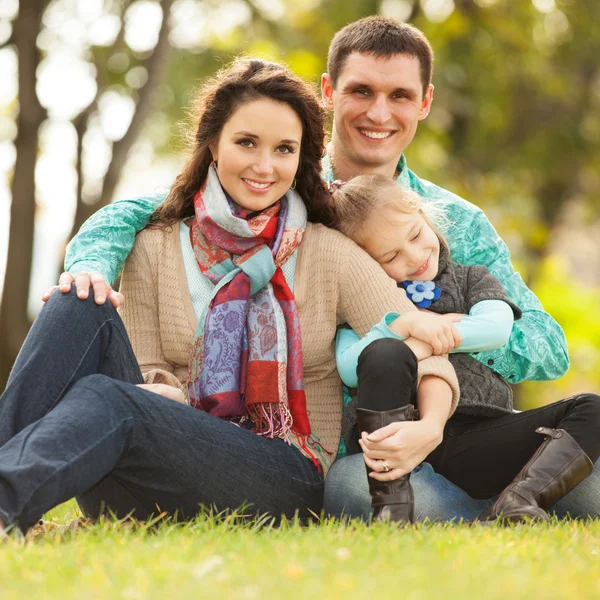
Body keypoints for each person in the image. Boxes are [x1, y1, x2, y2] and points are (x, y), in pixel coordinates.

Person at [45, 17, 599, 520]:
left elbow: (547, 346)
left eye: (400, 95)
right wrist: (90, 265)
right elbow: (140, 212)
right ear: (329, 93)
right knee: (357, 495)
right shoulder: (281, 187)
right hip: (358, 448)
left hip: (469, 425)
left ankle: (510, 496)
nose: (379, 113)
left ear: (425, 102)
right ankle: (491, 508)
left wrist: (438, 328)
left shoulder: (453, 218)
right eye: (362, 91)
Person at [0, 58, 460, 536]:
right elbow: (147, 367)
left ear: (300, 159)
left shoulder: (328, 252)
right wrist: (170, 396)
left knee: (106, 397)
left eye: (284, 149)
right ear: (213, 146)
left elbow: (425, 346)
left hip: (283, 472)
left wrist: (429, 427)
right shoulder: (155, 245)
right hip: (156, 459)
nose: (265, 166)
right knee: (77, 300)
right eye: (246, 143)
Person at [330, 174, 600, 524]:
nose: (414, 256)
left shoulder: (472, 278)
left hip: (481, 434)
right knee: (384, 354)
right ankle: (392, 506)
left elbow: (495, 328)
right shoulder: (366, 308)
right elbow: (350, 366)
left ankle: (517, 502)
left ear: (426, 218)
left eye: (415, 235)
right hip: (403, 446)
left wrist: (426, 339)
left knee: (590, 408)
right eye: (391, 255)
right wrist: (400, 328)